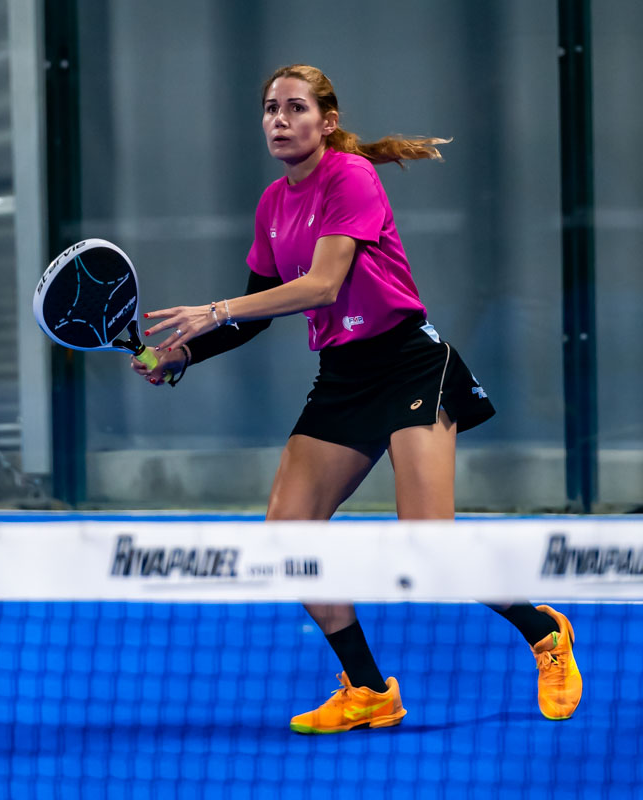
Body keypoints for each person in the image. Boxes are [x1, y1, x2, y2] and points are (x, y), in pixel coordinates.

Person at [133, 64, 582, 733]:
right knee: (288, 537)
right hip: (342, 375)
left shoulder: (351, 178)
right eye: (270, 109)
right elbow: (256, 315)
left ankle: (543, 631)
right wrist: (181, 355)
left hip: (407, 365)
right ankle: (369, 690)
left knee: (428, 545)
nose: (280, 120)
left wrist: (214, 308)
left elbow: (321, 285)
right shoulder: (272, 204)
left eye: (295, 108)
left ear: (328, 121)